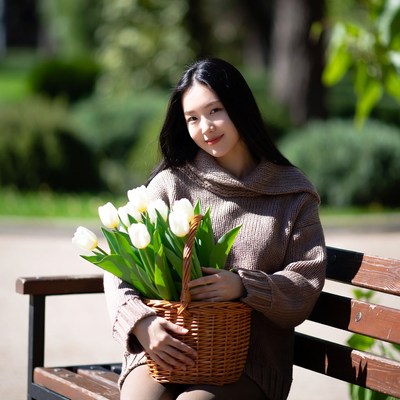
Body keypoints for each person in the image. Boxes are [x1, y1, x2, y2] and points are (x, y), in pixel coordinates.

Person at [103, 58, 326, 400]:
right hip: (163, 351)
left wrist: (243, 285)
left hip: (250, 365)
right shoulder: (171, 184)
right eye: (192, 118)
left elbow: (304, 285)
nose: (205, 127)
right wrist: (141, 323)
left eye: (215, 111)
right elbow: (119, 270)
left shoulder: (293, 195)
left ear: (239, 108)